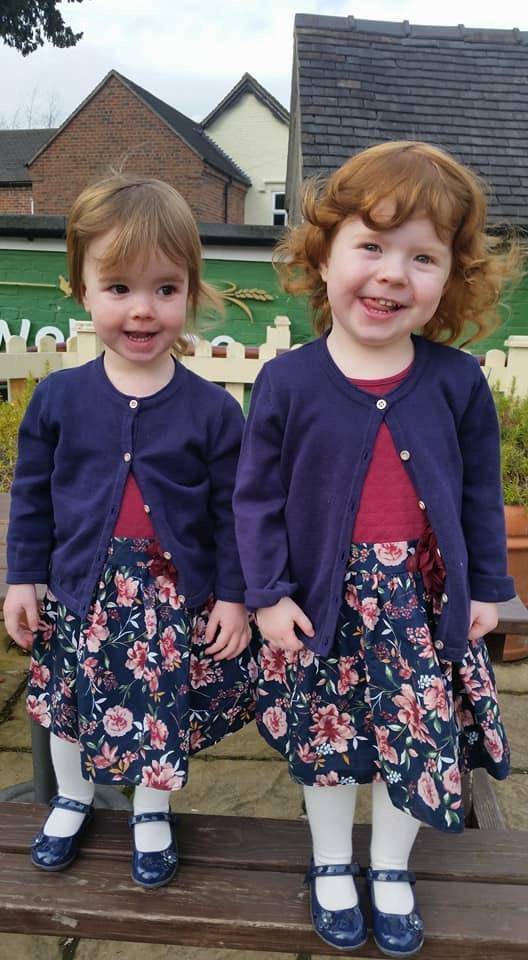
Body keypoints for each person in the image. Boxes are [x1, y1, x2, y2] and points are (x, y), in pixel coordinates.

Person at [233, 141, 516, 956]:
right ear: (323, 257)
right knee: (328, 743)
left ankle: (391, 864)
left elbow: (479, 494)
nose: (393, 274)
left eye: (423, 257)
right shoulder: (287, 381)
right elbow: (255, 500)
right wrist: (267, 594)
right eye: (372, 246)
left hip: (419, 609)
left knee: (413, 739)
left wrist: (487, 587)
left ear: (450, 279)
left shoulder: (457, 382)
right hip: (321, 607)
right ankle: (331, 859)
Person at [4, 174, 257, 888]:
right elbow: (32, 499)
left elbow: (231, 514)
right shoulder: (57, 399)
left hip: (166, 598)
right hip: (78, 588)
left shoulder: (213, 411)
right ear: (81, 290)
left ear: (190, 293)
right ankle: (72, 797)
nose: (143, 309)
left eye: (165, 289)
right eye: (119, 287)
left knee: (157, 705)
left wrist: (233, 596)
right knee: (65, 701)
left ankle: (151, 809)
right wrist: (21, 579)